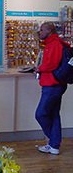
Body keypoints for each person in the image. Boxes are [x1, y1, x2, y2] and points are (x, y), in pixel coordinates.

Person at [35, 22, 69, 155]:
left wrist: (39, 68)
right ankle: (54, 146)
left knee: (41, 114)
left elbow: (51, 64)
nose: (40, 32)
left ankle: (54, 141)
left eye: (42, 30)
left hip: (52, 84)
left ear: (49, 30)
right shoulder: (53, 43)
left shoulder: (54, 44)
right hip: (55, 83)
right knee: (54, 114)